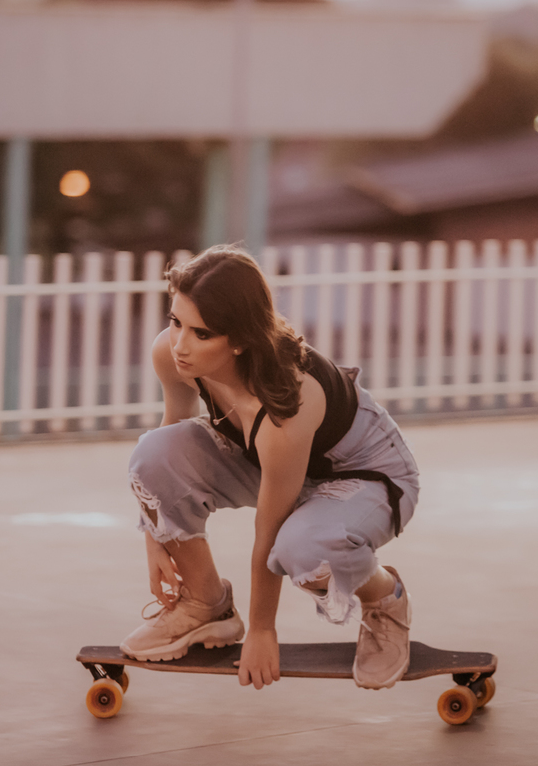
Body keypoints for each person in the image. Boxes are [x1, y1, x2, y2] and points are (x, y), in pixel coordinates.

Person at [122, 245, 420, 690]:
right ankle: (206, 604)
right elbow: (168, 450)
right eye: (175, 321)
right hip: (267, 461)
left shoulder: (285, 404)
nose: (180, 345)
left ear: (241, 339)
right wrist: (155, 537)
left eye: (202, 334)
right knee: (151, 453)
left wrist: (263, 631)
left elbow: (270, 526)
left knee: (301, 548)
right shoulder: (172, 354)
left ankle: (384, 598)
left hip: (365, 474)